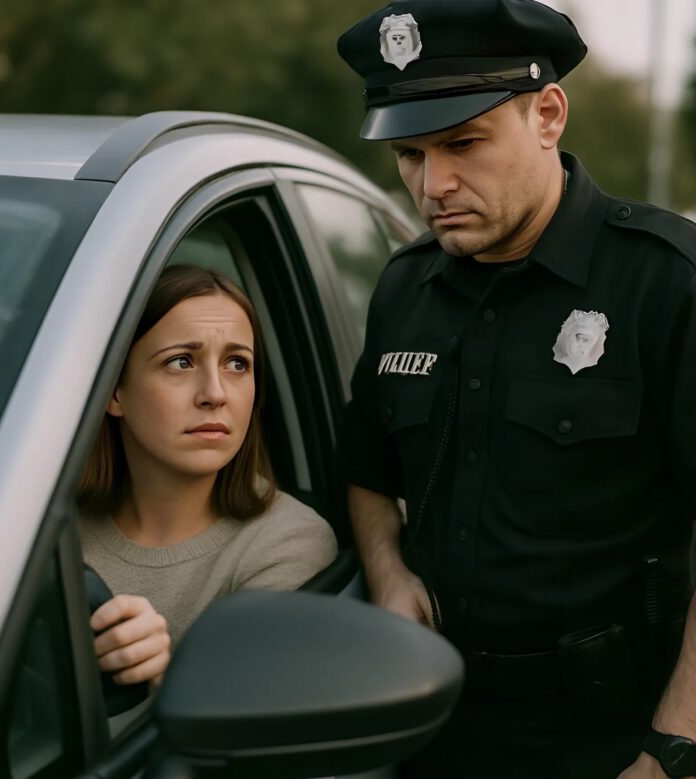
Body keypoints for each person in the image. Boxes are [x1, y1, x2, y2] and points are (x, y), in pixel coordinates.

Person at [335, 1, 696, 777]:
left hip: (610, 738)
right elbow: (366, 468)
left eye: (463, 143)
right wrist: (388, 570)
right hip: (432, 728)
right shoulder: (405, 289)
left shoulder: (665, 283)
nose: (433, 185)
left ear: (549, 115)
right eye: (409, 155)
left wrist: (671, 746)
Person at [77, 264, 337, 690]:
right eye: (181, 362)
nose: (215, 394)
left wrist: (160, 678)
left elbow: (247, 717)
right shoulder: (50, 534)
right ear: (114, 391)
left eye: (238, 363)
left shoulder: (287, 544)